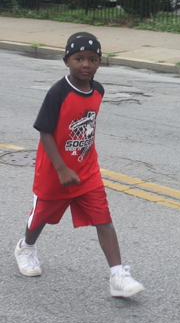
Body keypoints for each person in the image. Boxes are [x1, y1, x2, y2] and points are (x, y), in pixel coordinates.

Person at [15, 32, 144, 298]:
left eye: (93, 59)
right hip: (55, 171)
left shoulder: (98, 90)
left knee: (103, 218)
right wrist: (61, 168)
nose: (86, 64)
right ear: (67, 61)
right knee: (41, 217)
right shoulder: (58, 92)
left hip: (87, 170)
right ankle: (26, 247)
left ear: (99, 63)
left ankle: (118, 275)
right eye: (79, 58)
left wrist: (79, 163)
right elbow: (45, 132)